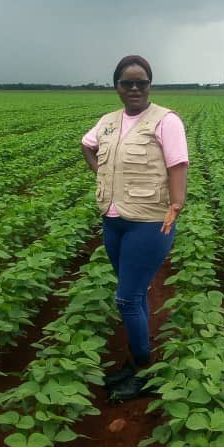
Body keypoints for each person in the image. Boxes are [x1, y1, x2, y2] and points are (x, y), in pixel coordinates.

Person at [81, 55, 189, 403]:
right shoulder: (108, 122)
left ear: (149, 85)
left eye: (141, 82)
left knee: (126, 298)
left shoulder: (166, 121)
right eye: (127, 83)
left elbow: (178, 164)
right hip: (113, 221)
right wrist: (103, 175)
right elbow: (87, 145)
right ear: (117, 86)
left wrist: (176, 205)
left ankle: (145, 373)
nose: (134, 88)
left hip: (149, 222)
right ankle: (135, 362)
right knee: (135, 294)